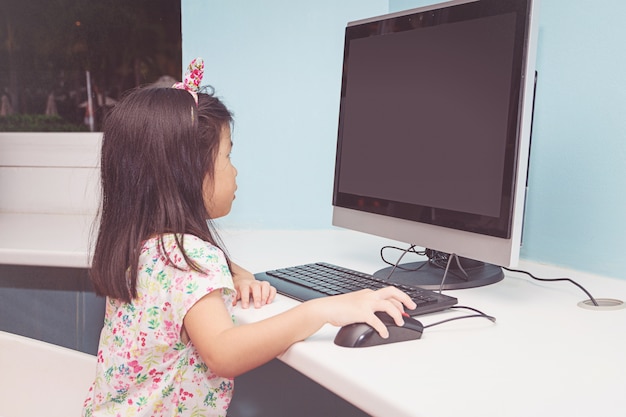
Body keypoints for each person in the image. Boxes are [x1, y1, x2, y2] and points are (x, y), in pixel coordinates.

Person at [82, 58, 416, 417]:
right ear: (188, 173)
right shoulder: (188, 255)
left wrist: (237, 275)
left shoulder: (143, 244)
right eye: (227, 155)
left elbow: (187, 277)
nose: (235, 169)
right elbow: (223, 352)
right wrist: (322, 309)